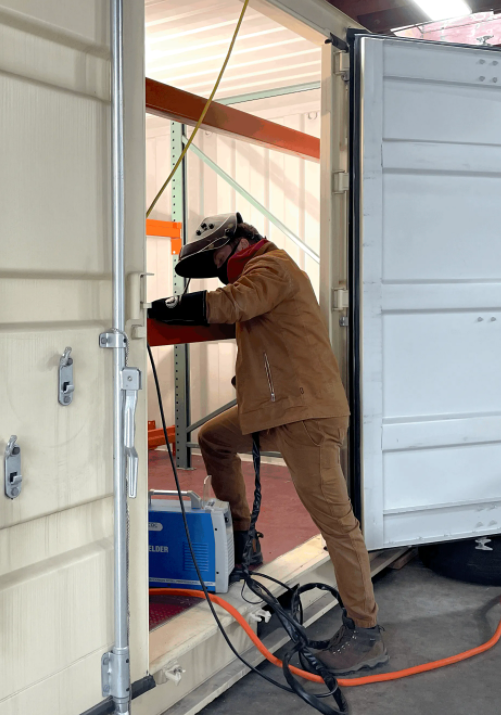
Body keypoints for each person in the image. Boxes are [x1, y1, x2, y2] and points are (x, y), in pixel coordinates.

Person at [148, 212, 386, 675]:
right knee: (213, 438)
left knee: (336, 523)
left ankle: (366, 632)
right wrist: (152, 321)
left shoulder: (271, 268)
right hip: (277, 410)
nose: (215, 266)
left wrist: (174, 305)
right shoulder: (259, 282)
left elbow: (231, 304)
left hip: (306, 413)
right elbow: (222, 320)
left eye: (216, 255)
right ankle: (243, 538)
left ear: (237, 242)